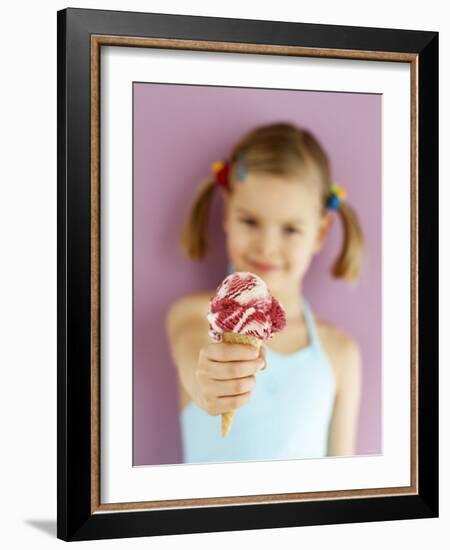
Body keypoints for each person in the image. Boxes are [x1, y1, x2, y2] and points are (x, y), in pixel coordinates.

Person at [166, 122, 363, 464]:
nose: (267, 246)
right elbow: (192, 355)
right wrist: (207, 383)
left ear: (319, 233)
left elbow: (342, 485)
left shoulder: (340, 353)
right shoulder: (193, 316)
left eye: (290, 229)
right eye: (250, 221)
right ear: (227, 212)